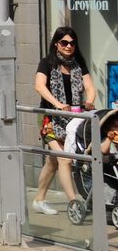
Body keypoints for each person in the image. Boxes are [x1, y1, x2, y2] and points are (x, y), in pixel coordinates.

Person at [32, 25, 96, 216]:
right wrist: (57, 104)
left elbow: (90, 88)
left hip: (73, 120)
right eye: (64, 42)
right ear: (56, 43)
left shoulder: (78, 64)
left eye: (72, 43)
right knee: (64, 159)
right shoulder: (47, 63)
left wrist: (90, 101)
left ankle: (39, 199)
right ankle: (75, 203)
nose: (69, 46)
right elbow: (39, 86)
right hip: (51, 119)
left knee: (53, 161)